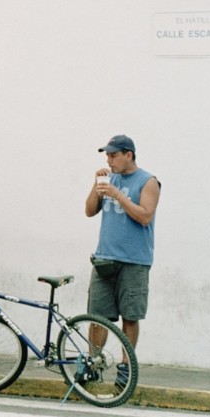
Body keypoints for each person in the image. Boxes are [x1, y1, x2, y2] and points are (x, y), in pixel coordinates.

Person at [84, 134, 159, 387]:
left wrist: (118, 194)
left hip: (134, 260)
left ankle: (126, 368)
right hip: (105, 258)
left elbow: (145, 216)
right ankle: (92, 363)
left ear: (129, 155)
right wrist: (96, 185)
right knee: (97, 316)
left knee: (130, 316)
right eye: (107, 155)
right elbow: (89, 211)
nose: (109, 160)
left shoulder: (148, 182)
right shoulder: (109, 179)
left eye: (113, 155)